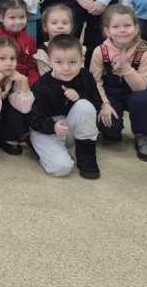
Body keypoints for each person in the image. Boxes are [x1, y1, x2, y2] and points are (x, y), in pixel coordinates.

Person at [89, 4, 147, 162]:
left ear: (136, 28)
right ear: (107, 31)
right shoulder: (100, 51)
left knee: (145, 100)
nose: (122, 30)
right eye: (115, 27)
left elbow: (140, 86)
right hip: (110, 93)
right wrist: (105, 104)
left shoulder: (144, 52)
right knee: (109, 127)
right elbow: (95, 82)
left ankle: (144, 135)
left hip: (135, 93)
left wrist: (127, 68)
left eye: (127, 26)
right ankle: (112, 131)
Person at [28, 34, 102, 179]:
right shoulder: (42, 85)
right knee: (61, 168)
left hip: (70, 128)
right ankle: (40, 147)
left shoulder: (86, 77)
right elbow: (33, 118)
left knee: (85, 105)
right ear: (50, 62)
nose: (66, 68)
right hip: (46, 129)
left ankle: (86, 155)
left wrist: (80, 96)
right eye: (59, 62)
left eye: (73, 62)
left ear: (82, 61)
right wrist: (52, 127)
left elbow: (96, 106)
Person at [34, 4, 74, 76]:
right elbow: (45, 78)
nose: (60, 26)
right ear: (45, 27)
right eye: (54, 23)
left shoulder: (77, 48)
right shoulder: (42, 53)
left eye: (65, 23)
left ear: (71, 26)